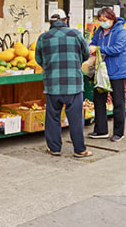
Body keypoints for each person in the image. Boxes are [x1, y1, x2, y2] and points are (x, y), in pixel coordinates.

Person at [35, 9, 92, 158]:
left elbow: (38, 59)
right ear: (65, 20)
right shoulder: (75, 34)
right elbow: (86, 53)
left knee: (53, 117)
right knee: (76, 119)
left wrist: (50, 66)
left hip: (53, 85)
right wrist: (75, 62)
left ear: (50, 22)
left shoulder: (43, 38)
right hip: (73, 84)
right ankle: (80, 150)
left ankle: (54, 148)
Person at [89, 7, 126, 142]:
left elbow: (118, 49)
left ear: (112, 19)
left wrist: (99, 49)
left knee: (118, 102)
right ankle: (101, 130)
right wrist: (91, 47)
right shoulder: (99, 31)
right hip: (101, 70)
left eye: (105, 20)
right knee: (99, 100)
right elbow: (93, 42)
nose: (102, 23)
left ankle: (119, 132)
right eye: (100, 20)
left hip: (117, 70)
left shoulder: (120, 31)